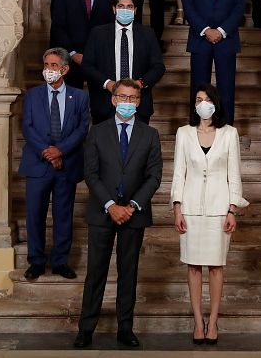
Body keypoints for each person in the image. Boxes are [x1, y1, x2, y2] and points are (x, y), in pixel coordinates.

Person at [74, 79, 163, 349]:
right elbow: (90, 173)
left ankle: (125, 328)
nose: (127, 102)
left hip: (134, 214)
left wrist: (132, 205)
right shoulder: (97, 132)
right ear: (113, 100)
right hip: (103, 212)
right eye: (122, 97)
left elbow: (154, 177)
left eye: (132, 98)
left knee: (129, 272)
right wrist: (111, 205)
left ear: (139, 102)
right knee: (96, 272)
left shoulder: (150, 135)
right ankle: (86, 328)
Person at [170, 83, 249, 345]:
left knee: (216, 267)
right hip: (191, 209)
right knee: (193, 267)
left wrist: (232, 209)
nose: (201, 103)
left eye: (206, 98)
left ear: (215, 102)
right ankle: (197, 320)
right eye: (197, 99)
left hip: (219, 209)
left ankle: (213, 321)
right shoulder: (184, 133)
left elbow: (234, 174)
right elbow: (178, 173)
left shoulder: (230, 133)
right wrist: (177, 207)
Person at [18, 48, 90, 281]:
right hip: (38, 164)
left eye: (53, 65)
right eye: (46, 64)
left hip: (66, 164)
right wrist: (48, 152)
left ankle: (60, 261)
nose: (48, 70)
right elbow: (27, 127)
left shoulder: (79, 97)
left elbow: (82, 129)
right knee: (35, 214)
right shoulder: (32, 95)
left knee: (63, 214)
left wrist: (61, 151)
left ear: (65, 69)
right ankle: (36, 261)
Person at [182, 0, 246, 125]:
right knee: (198, 88)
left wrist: (221, 30)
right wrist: (205, 29)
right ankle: (197, 126)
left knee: (226, 88)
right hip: (200, 38)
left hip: (226, 39)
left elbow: (239, 5)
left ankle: (226, 128)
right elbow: (188, 3)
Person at [80, 0, 165, 125]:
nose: (125, 10)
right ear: (114, 9)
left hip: (138, 104)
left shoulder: (147, 34)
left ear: (135, 10)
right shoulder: (98, 33)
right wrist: (107, 83)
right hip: (105, 104)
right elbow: (87, 65)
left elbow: (158, 67)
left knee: (138, 145)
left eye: (129, 7)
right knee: (105, 145)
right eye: (121, 6)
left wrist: (139, 84)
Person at [50, 0, 118, 89]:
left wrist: (99, 53)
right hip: (71, 59)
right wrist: (73, 54)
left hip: (100, 60)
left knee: (100, 106)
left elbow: (113, 24)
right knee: (71, 105)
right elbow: (58, 26)